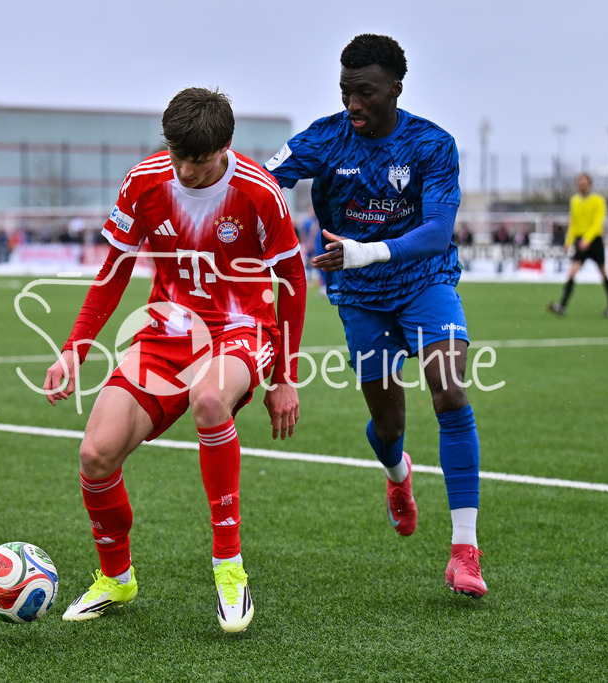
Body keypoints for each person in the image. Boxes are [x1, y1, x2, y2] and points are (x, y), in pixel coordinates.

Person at [43, 87, 306, 633]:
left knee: (209, 399)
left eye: (200, 159)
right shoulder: (145, 181)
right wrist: (75, 348)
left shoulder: (260, 192)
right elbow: (113, 271)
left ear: (225, 147)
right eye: (178, 155)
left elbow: (293, 283)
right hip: (167, 332)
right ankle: (116, 578)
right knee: (95, 455)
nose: (185, 170)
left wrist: (285, 376)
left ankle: (228, 568)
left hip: (240, 328)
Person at [265, 33, 487, 598]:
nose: (352, 104)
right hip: (359, 296)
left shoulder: (432, 145)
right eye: (345, 91)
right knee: (389, 427)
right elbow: (263, 181)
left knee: (451, 391)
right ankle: (397, 475)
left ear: (395, 89)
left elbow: (437, 232)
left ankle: (465, 551)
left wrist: (366, 250)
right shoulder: (324, 139)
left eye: (364, 92)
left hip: (424, 282)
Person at [546, 173, 608, 317]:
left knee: (603, 273)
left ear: (589, 184)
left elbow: (598, 223)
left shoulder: (598, 200)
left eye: (584, 183)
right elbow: (573, 222)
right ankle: (562, 306)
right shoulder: (575, 200)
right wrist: (569, 241)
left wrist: (587, 239)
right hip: (580, 240)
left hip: (594, 240)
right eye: (580, 183)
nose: (582, 185)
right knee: (572, 272)